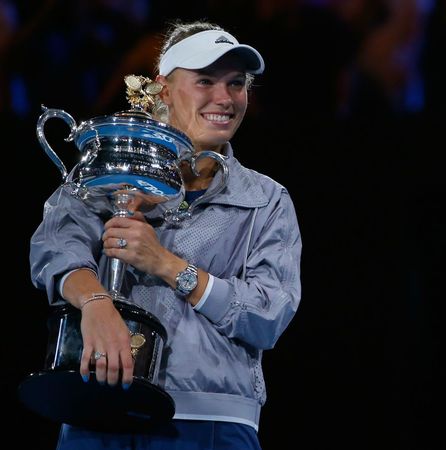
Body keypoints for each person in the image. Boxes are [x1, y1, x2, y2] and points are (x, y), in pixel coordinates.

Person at [29, 20, 302, 449]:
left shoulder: (267, 200)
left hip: (211, 422)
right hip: (95, 405)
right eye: (205, 81)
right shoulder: (112, 166)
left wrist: (169, 266)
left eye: (236, 84)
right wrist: (96, 303)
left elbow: (268, 315)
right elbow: (54, 249)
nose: (224, 98)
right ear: (163, 89)